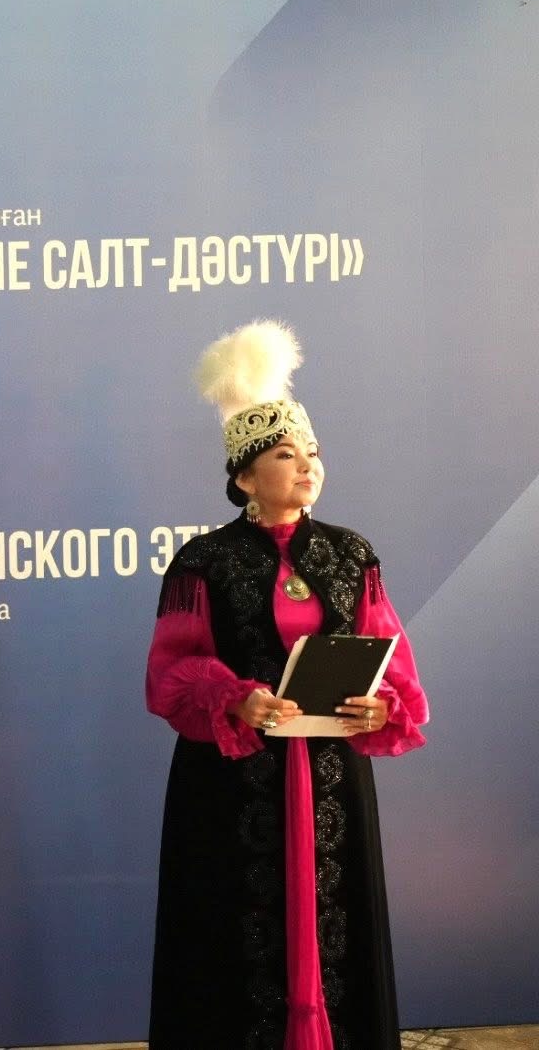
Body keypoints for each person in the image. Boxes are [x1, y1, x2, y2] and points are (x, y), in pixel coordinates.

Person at [146, 321, 430, 1050]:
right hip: (233, 777)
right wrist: (235, 697)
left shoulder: (351, 553)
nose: (307, 465)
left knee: (337, 927)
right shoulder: (204, 561)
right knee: (235, 932)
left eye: (313, 452)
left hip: (330, 772)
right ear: (244, 476)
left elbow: (391, 656)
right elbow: (170, 673)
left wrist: (381, 706)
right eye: (285, 454)